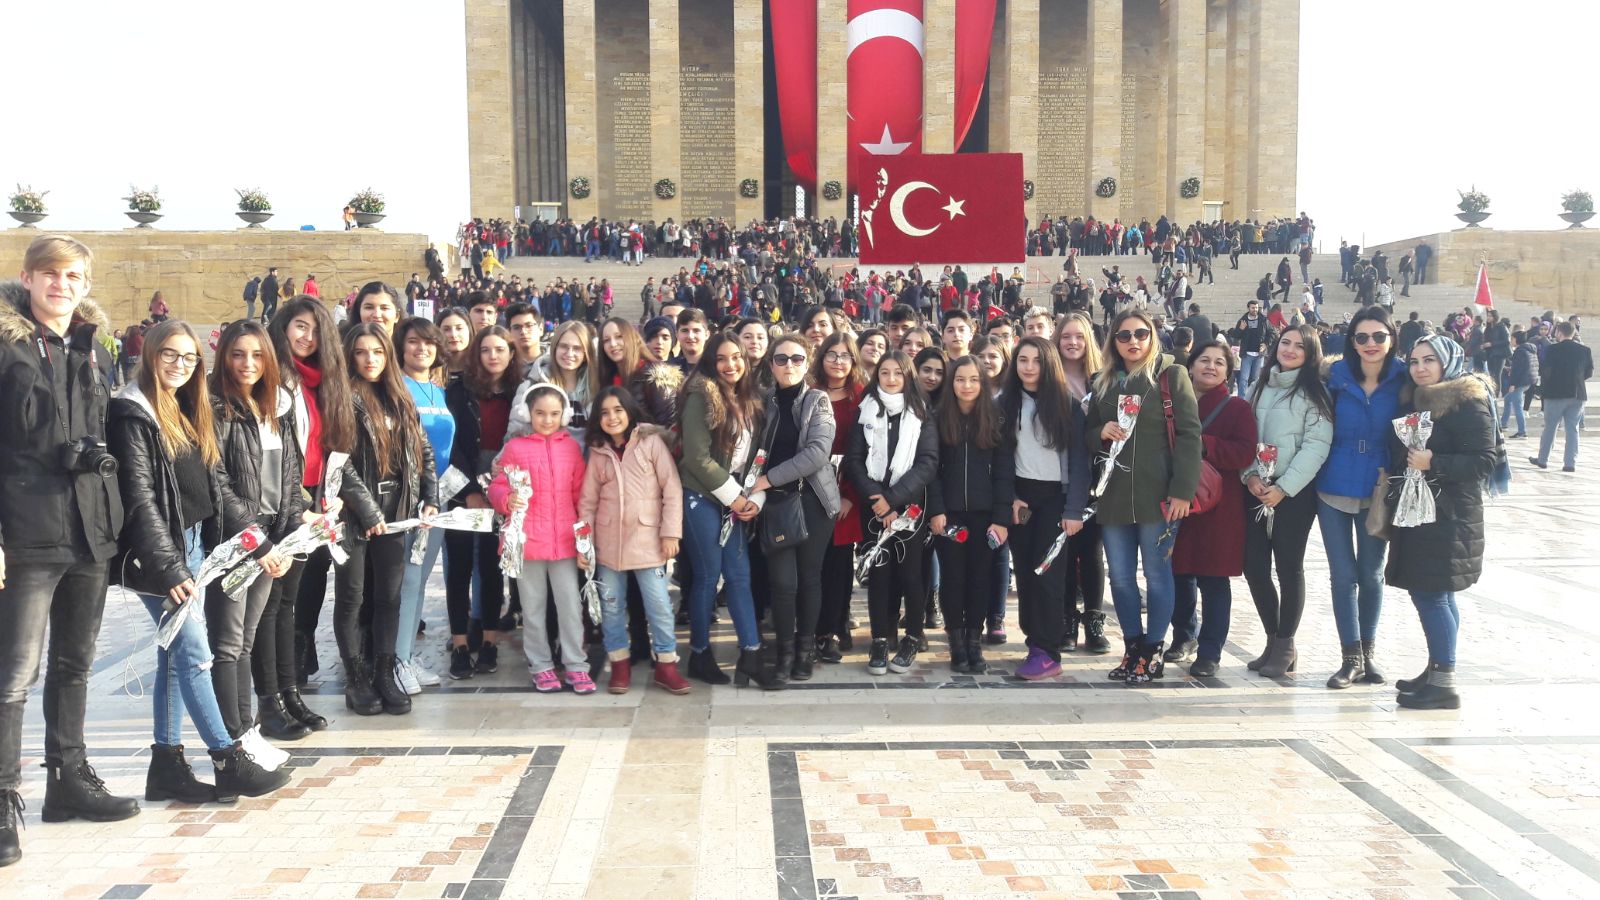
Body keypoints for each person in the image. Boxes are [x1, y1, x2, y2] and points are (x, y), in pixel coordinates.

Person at [108, 321, 291, 803]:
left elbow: (216, 489)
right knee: (196, 654)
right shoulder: (132, 411)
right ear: (149, 354)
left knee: (173, 658)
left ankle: (166, 767)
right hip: (161, 554)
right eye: (170, 354)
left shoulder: (189, 409)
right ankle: (228, 759)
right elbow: (140, 497)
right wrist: (170, 569)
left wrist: (257, 542)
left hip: (191, 545)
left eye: (188, 358)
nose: (179, 365)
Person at [0, 239, 140, 864]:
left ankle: (69, 780)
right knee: (12, 678)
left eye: (74, 276)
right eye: (51, 274)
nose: (62, 285)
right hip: (25, 529)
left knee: (74, 665)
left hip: (89, 528)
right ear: (26, 278)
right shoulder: (6, 348)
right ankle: (4, 800)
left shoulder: (94, 348)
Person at [207, 321, 312, 745]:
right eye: (237, 354)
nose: (247, 364)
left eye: (256, 355)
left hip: (271, 538)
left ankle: (247, 733)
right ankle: (230, 740)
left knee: (248, 641)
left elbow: (289, 475)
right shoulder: (215, 407)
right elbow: (218, 483)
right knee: (228, 645)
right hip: (238, 542)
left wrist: (286, 535)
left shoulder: (274, 406)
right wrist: (259, 543)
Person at [1085, 308, 1202, 684]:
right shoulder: (1102, 380)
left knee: (1156, 573)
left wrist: (1183, 490)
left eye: (1140, 334)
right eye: (1124, 336)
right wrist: (1100, 430)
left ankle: (1153, 651)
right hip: (1114, 494)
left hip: (1158, 495)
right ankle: (1133, 647)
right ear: (1113, 341)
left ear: (1152, 336)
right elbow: (1085, 437)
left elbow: (1189, 435)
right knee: (1119, 576)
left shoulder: (1171, 375)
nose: (1133, 342)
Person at [1389, 335, 1497, 710]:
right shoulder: (1421, 399)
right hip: (1426, 512)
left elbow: (1486, 461)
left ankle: (1445, 683)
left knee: (1431, 594)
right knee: (1437, 594)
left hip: (1450, 515)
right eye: (1415, 360)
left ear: (1447, 363)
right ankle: (1437, 668)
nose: (1420, 367)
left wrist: (1433, 462)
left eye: (1429, 360)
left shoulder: (1467, 402)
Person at [334, 325, 437, 715]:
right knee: (352, 596)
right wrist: (367, 510)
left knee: (389, 597)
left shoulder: (399, 395)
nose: (370, 359)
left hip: (398, 509)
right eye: (361, 352)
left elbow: (422, 447)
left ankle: (384, 672)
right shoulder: (343, 396)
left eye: (377, 351)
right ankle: (357, 678)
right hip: (354, 515)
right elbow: (339, 461)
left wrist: (431, 495)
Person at [677, 333, 778, 688]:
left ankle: (751, 653)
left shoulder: (752, 398)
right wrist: (735, 498)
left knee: (740, 575)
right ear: (710, 361)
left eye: (736, 357)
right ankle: (700, 654)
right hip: (702, 495)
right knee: (708, 575)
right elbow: (697, 457)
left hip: (734, 495)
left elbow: (758, 456)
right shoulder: (700, 395)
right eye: (722, 358)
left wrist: (753, 498)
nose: (730, 364)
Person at [270, 298, 355, 720]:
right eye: (300, 327)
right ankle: (277, 694)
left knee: (304, 590)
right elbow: (276, 453)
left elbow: (330, 448)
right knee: (278, 601)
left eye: (316, 330)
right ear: (284, 328)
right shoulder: (276, 378)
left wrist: (332, 496)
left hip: (317, 501)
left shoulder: (326, 382)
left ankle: (292, 682)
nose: (308, 337)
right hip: (284, 504)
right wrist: (300, 506)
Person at [579, 387, 690, 694]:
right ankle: (619, 663)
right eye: (604, 413)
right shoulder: (598, 451)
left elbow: (672, 489)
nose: (612, 418)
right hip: (608, 543)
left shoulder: (650, 443)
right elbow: (588, 502)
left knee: (658, 605)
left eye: (617, 410)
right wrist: (584, 545)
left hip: (648, 541)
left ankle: (666, 664)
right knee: (612, 606)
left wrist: (671, 533)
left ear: (629, 411)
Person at [1317, 307, 1406, 688]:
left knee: (1371, 574)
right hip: (1334, 484)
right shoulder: (1334, 378)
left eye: (1378, 337)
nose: (1370, 344)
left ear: (1391, 338)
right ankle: (1349, 656)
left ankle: (1368, 654)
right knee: (1343, 575)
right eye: (1362, 337)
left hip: (1379, 487)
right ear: (1351, 341)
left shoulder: (1405, 379)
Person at [1242, 324, 1333, 679]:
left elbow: (1316, 445)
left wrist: (1284, 487)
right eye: (1285, 343)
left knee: (1288, 567)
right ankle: (1272, 637)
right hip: (1255, 487)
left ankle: (1286, 643)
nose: (1290, 350)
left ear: (1311, 354)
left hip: (1293, 493)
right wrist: (1248, 475)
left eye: (1299, 346)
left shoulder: (1314, 392)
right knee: (1254, 566)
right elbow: (1246, 435)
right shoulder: (1258, 386)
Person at [489, 385, 592, 694]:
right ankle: (541, 665)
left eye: (554, 414)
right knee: (533, 607)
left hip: (563, 541)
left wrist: (584, 539)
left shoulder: (571, 449)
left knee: (570, 605)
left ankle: (575, 663)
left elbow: (581, 496)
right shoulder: (515, 449)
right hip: (527, 541)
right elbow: (496, 485)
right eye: (540, 413)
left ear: (564, 415)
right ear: (528, 414)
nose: (547, 420)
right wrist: (506, 499)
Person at [843, 350, 939, 676]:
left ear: (907, 376)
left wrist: (893, 500)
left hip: (910, 507)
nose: (892, 379)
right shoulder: (865, 410)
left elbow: (927, 463)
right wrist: (875, 498)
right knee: (880, 575)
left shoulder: (922, 412)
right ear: (877, 375)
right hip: (874, 507)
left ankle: (912, 635)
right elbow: (854, 460)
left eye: (898, 373)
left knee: (911, 574)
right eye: (885, 372)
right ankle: (880, 639)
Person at [1000, 338, 1090, 679]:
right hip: (1021, 498)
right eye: (1022, 360)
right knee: (1024, 572)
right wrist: (1009, 497)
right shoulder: (1004, 403)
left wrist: (1074, 509)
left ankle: (1048, 651)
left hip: (1056, 499)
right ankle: (1034, 642)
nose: (1028, 367)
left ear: (1048, 364)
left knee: (1048, 574)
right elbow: (1000, 458)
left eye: (1036, 361)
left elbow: (1080, 462)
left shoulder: (1067, 406)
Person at [752, 335, 839, 684]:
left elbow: (817, 452)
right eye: (782, 359)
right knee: (782, 582)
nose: (789, 365)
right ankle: (785, 651)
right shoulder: (763, 401)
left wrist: (767, 478)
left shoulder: (817, 400)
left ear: (807, 362)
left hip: (812, 501)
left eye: (797, 358)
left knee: (809, 578)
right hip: (774, 504)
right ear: (771, 364)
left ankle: (804, 650)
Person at [1168, 340, 1256, 675]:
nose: (1211, 366)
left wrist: (1202, 444)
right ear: (1190, 366)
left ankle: (1210, 651)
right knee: (1179, 573)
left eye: (1220, 362)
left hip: (1219, 506)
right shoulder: (1173, 404)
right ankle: (1183, 636)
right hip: (1177, 500)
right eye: (1204, 360)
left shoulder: (1237, 409)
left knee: (1214, 580)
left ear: (1228, 373)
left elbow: (1245, 452)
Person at [927, 357, 1012, 674]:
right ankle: (956, 642)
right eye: (960, 379)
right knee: (953, 579)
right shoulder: (937, 418)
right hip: (949, 517)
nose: (967, 386)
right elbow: (931, 470)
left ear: (983, 383)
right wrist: (936, 510)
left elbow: (1004, 472)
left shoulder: (994, 418)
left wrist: (1001, 518)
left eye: (974, 380)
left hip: (985, 516)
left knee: (980, 579)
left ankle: (974, 642)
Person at [442, 326, 516, 678]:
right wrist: (470, 490)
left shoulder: (519, 393)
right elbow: (450, 445)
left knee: (491, 568)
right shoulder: (458, 391)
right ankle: (459, 645)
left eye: (500, 349)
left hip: (502, 487)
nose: (493, 356)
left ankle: (488, 642)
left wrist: (498, 489)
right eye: (486, 349)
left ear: (510, 354)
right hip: (461, 487)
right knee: (458, 569)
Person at [393, 317, 453, 693]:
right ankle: (397, 661)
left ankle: (408, 657)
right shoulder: (398, 388)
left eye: (429, 343)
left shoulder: (437, 390)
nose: (422, 349)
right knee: (408, 581)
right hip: (410, 500)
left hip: (440, 498)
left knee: (420, 582)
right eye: (414, 342)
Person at [1055, 312, 1110, 653]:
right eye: (1066, 337)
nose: (1072, 342)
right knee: (1063, 550)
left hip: (1096, 477)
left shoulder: (1102, 380)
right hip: (1057, 475)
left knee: (1091, 551)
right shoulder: (1049, 379)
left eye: (1079, 336)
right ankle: (1066, 620)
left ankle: (1093, 618)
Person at [810, 333, 866, 661]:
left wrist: (850, 497)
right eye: (832, 354)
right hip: (811, 490)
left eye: (845, 355)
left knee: (840, 565)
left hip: (847, 490)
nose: (838, 361)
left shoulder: (861, 396)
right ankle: (817, 629)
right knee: (814, 565)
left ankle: (834, 625)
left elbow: (864, 453)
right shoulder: (810, 393)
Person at [1528, 321, 1592, 473]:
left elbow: (1545, 371)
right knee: (1573, 429)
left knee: (1550, 427)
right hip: (1577, 394)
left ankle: (1543, 459)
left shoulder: (1552, 349)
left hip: (1555, 393)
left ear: (1559, 333)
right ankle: (1570, 463)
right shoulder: (1585, 350)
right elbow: (1589, 372)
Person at [517, 320, 596, 436]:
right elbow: (516, 431)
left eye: (577, 348)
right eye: (564, 346)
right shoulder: (532, 386)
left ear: (585, 354)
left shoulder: (597, 385)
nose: (569, 354)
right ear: (554, 348)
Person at [1501, 330, 1538, 439]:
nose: (1511, 341)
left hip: (1521, 381)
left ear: (1516, 339)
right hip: (1528, 380)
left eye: (1512, 339)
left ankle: (1522, 432)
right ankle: (1503, 424)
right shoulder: (1530, 349)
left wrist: (1513, 384)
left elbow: (1518, 370)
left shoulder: (1520, 351)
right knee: (1508, 399)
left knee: (1518, 407)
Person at [1232, 299, 1271, 396]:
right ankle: (1241, 399)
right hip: (1247, 354)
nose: (1255, 310)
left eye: (1256, 308)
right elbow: (1236, 336)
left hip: (1259, 355)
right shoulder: (1243, 321)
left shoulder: (1263, 320)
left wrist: (1266, 344)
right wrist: (1241, 329)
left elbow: (1272, 333)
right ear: (1248, 308)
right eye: (1253, 308)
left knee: (1254, 379)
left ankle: (1252, 398)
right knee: (1244, 379)